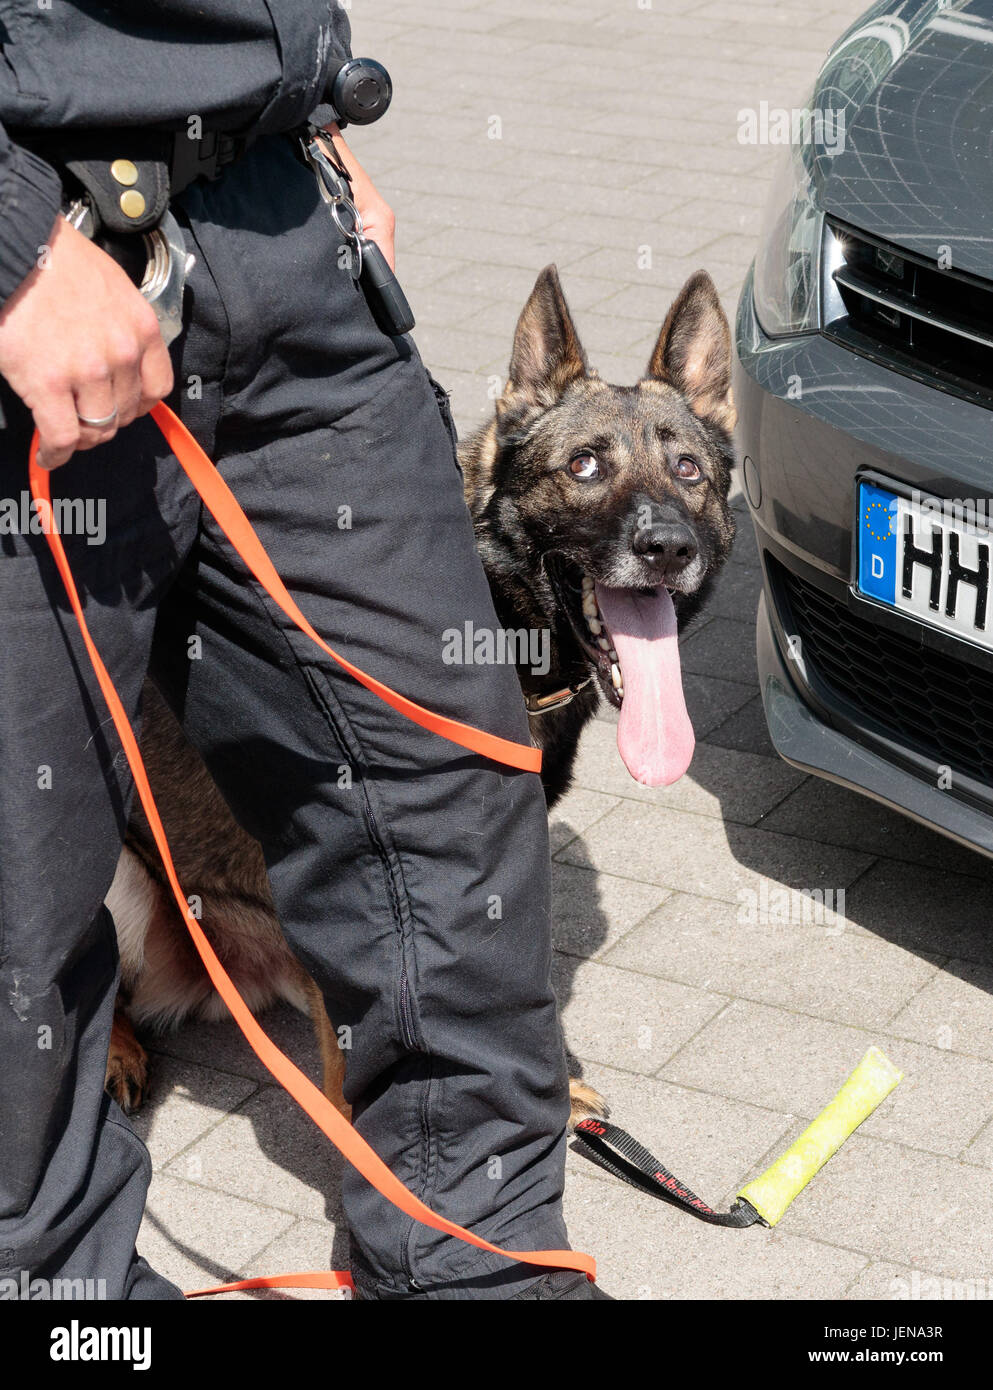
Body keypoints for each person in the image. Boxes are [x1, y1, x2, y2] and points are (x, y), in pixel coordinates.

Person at [0, 2, 608, 1300]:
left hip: (281, 223)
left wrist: (308, 112)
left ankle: (475, 1273)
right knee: (20, 897)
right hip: (37, 256)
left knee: (447, 808)